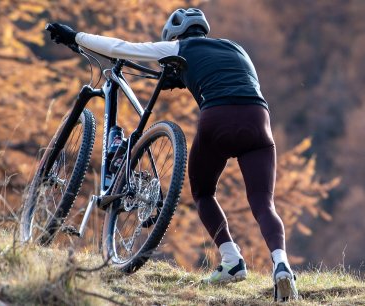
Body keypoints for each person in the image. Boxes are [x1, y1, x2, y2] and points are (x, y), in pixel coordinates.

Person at [46, 8, 299, 302]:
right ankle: (281, 264)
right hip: (258, 120)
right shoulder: (236, 48)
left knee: (204, 193)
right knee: (263, 203)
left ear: (175, 35)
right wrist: (185, 78)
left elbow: (122, 48)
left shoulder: (180, 46)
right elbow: (228, 75)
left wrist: (74, 35)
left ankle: (231, 260)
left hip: (217, 118)